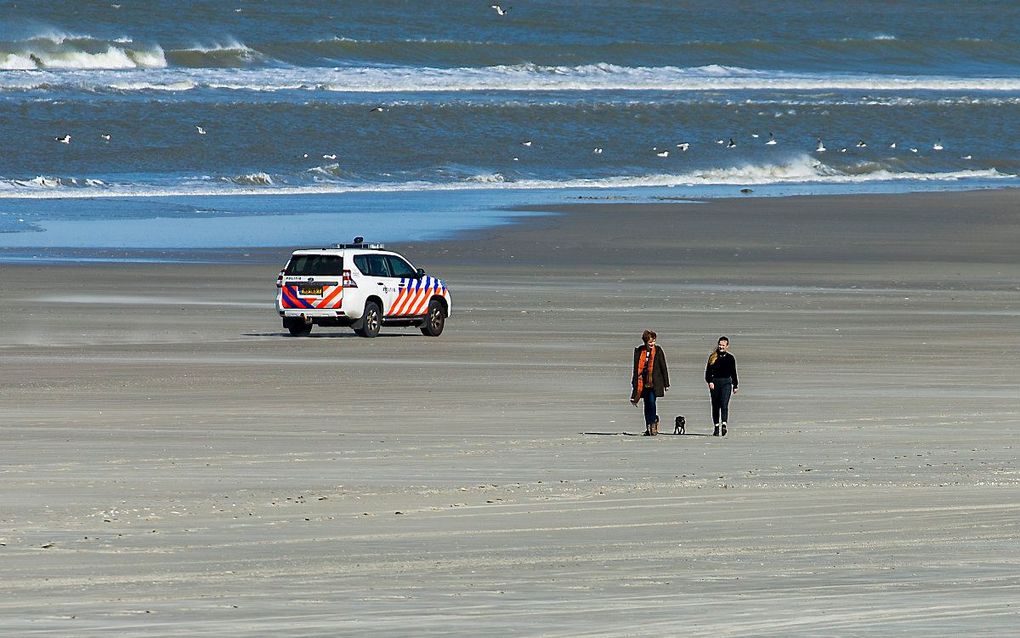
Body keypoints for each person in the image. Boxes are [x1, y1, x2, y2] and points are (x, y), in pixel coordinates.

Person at [631, 330, 669, 435]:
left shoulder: (658, 350)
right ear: (645, 342)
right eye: (650, 342)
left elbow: (663, 367)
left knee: (652, 402)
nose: (652, 344)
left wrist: (666, 383)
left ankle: (653, 425)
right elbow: (636, 369)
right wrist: (634, 383)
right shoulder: (639, 351)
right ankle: (649, 426)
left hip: (654, 382)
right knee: (646, 405)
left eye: (653, 341)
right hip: (642, 382)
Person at [705, 336, 738, 436]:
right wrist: (710, 382)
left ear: (727, 346)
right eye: (720, 345)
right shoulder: (713, 357)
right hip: (715, 383)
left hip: (726, 383)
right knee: (715, 406)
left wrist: (735, 385)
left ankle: (724, 424)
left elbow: (733, 372)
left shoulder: (730, 358)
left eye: (723, 345)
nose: (721, 347)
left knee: (724, 404)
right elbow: (707, 372)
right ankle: (716, 426)